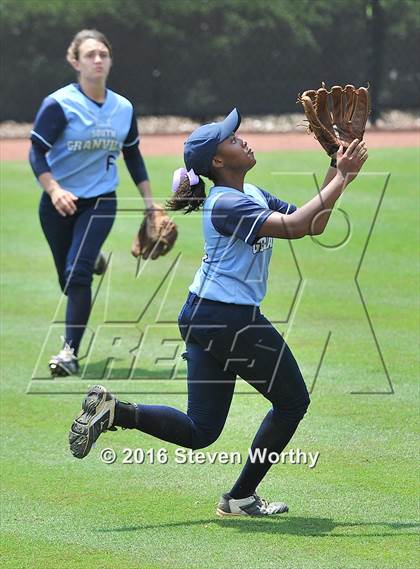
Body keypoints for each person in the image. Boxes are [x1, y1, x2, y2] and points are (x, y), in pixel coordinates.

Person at [68, 109, 368, 516]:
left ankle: (114, 412)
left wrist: (337, 160)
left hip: (206, 316)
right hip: (227, 318)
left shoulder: (253, 194)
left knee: (201, 430)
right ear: (217, 162)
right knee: (293, 402)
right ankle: (241, 498)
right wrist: (344, 175)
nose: (241, 139)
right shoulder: (225, 204)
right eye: (231, 139)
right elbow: (295, 226)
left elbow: (312, 223)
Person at [29, 29, 164, 376]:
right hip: (58, 203)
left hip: (101, 200)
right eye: (90, 54)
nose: (98, 60)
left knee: (77, 274)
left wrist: (151, 204)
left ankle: (68, 353)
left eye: (103, 53)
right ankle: (93, 257)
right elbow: (37, 153)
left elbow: (133, 156)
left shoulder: (123, 108)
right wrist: (54, 189)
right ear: (75, 61)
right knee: (69, 278)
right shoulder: (59, 104)